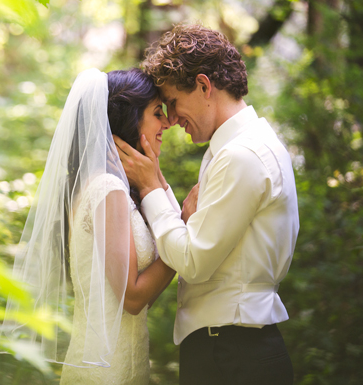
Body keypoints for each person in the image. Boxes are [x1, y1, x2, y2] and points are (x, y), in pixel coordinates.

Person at [114, 24, 300, 385]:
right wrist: (159, 184)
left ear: (203, 85)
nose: (169, 119)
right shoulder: (238, 147)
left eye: (172, 102)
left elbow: (194, 263)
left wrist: (151, 187)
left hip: (232, 354)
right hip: (230, 348)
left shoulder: (241, 156)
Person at [0, 68, 180, 384]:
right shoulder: (107, 189)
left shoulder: (112, 188)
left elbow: (143, 298)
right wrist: (183, 239)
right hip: (104, 371)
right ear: (131, 119)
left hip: (127, 360)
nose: (166, 123)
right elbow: (134, 297)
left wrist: (157, 181)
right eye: (156, 112)